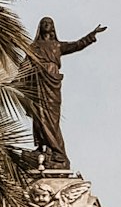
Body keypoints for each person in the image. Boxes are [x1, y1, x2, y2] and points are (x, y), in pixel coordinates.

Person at [18, 17, 106, 170]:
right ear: (40, 27)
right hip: (38, 82)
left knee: (52, 118)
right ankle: (43, 149)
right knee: (39, 117)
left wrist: (92, 35)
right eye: (44, 23)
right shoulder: (34, 47)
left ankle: (57, 152)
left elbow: (76, 45)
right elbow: (25, 65)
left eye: (49, 23)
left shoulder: (57, 46)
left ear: (53, 28)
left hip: (52, 82)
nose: (47, 25)